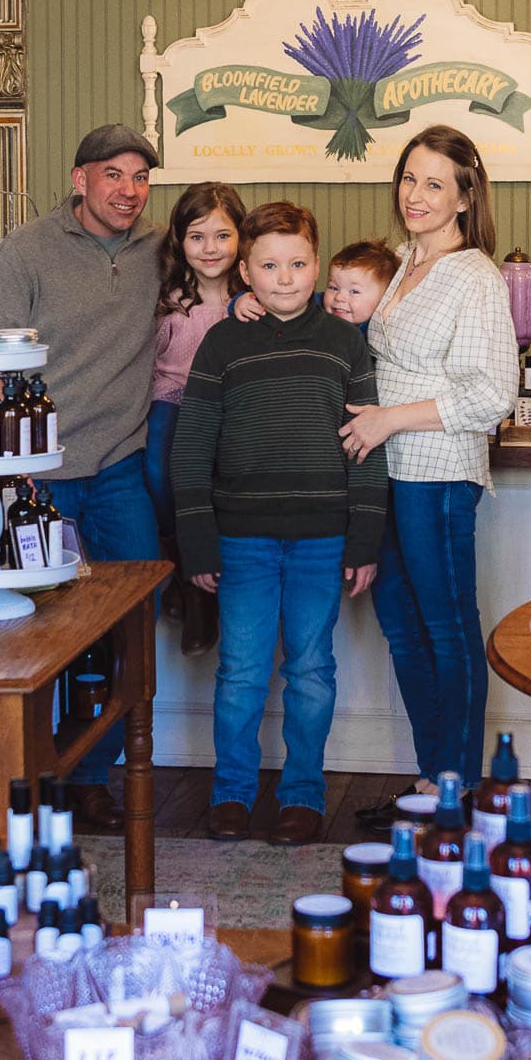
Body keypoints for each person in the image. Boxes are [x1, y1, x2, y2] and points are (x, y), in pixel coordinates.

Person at [172, 201, 387, 847]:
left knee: (311, 669)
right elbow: (192, 446)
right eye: (268, 265)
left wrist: (365, 538)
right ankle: (231, 792)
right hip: (241, 538)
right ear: (245, 270)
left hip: (323, 537)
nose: (284, 277)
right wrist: (197, 540)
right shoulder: (224, 341)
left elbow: (365, 444)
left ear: (316, 265)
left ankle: (301, 793)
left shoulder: (345, 342)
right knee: (239, 668)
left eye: (297, 264)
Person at [0, 123, 164, 831]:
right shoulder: (30, 247)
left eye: (140, 178)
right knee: (32, 625)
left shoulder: (157, 250)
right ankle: (25, 769)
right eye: (114, 175)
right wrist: (8, 471)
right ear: (79, 179)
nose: (129, 191)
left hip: (119, 465)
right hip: (38, 472)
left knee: (129, 619)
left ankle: (90, 772)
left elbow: (218, 280)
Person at [338, 125, 520, 828]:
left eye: (433, 184)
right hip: (387, 473)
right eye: (408, 178)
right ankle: (429, 776)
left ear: (465, 198)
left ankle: (462, 790)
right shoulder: (404, 259)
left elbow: (489, 392)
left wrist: (386, 418)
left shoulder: (474, 275)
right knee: (403, 628)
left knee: (445, 629)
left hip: (438, 474)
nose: (414, 195)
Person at [145, 182, 248, 656]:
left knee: (222, 487)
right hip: (172, 398)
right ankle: (184, 577)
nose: (211, 249)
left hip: (229, 407)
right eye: (197, 237)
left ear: (241, 238)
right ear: (180, 242)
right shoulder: (166, 297)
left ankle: (212, 593)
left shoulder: (251, 296)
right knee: (160, 475)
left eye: (222, 236)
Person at [230, 236, 399, 332]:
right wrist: (240, 301)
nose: (339, 297)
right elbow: (274, 302)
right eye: (333, 287)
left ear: (384, 297)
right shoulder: (316, 305)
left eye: (354, 292)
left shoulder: (377, 328)